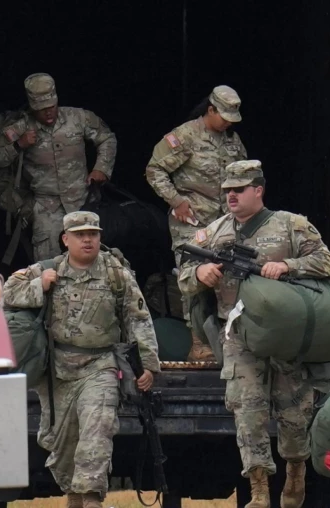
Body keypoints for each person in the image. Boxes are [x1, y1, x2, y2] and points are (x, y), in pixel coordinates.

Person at [178, 160, 330, 508]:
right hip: (238, 336)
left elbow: (327, 263)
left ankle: (295, 469)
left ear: (258, 190)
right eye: (227, 191)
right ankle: (259, 488)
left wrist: (287, 266)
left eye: (239, 189)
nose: (231, 196)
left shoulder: (292, 225)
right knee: (246, 411)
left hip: (284, 336)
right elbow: (184, 276)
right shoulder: (214, 232)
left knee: (294, 414)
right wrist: (201, 272)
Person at [3, 211, 161, 508]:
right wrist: (40, 286)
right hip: (58, 370)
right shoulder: (49, 268)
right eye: (80, 235)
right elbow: (5, 293)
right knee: (61, 442)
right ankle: (75, 496)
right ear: (65, 240)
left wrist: (149, 365)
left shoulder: (116, 274)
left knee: (97, 428)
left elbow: (139, 318)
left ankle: (91, 499)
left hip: (101, 365)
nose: (87, 240)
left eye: (93, 234)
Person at [145, 85, 248, 362]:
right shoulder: (185, 136)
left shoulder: (232, 141)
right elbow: (155, 170)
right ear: (210, 109)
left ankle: (227, 341)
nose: (227, 122)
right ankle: (197, 343)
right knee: (194, 277)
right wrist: (176, 200)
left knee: (227, 278)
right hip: (193, 222)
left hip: (225, 222)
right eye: (223, 116)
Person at [0, 73, 118, 262]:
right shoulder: (20, 128)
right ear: (33, 108)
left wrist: (101, 169)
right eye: (42, 110)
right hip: (45, 209)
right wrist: (18, 145)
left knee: (92, 263)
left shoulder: (78, 118)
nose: (48, 113)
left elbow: (107, 138)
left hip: (83, 202)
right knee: (48, 269)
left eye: (52, 107)